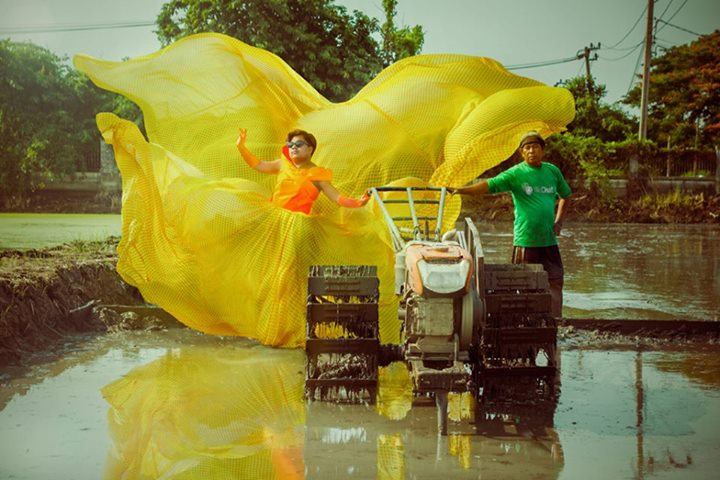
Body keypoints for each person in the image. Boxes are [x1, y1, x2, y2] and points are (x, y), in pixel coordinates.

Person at [449, 131, 571, 317]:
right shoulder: (516, 174)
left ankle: (556, 322)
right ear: (522, 152)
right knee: (524, 284)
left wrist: (559, 222)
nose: (532, 151)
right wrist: (461, 190)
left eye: (535, 147)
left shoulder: (552, 171)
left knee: (555, 281)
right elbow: (489, 185)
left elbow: (566, 196)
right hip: (526, 241)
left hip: (549, 241)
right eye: (527, 148)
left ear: (543, 150)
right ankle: (526, 321)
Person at [236, 128, 369, 214]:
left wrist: (358, 203)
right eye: (290, 145)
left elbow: (337, 198)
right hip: (271, 216)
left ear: (310, 149)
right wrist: (241, 147)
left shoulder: (317, 175)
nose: (293, 147)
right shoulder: (283, 164)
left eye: (298, 144)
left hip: (296, 226)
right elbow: (258, 165)